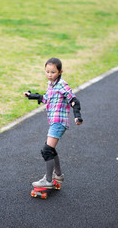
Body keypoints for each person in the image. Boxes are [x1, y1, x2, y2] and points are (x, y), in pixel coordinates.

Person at [24, 57, 83, 187]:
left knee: (46, 150)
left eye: (53, 72)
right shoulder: (51, 85)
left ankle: (48, 180)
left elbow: (73, 100)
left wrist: (77, 116)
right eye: (47, 72)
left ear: (60, 72)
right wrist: (32, 95)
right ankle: (58, 175)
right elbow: (46, 99)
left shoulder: (62, 85)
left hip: (59, 122)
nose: (49, 75)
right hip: (54, 122)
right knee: (50, 149)